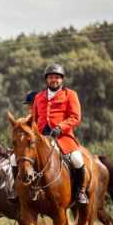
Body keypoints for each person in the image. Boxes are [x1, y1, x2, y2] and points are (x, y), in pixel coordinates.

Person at [31, 64, 88, 204]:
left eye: (57, 77)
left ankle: (80, 191)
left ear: (62, 80)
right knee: (18, 158)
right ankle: (18, 190)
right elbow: (34, 119)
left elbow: (75, 117)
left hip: (63, 137)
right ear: (46, 80)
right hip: (41, 137)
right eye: (51, 77)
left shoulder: (70, 94)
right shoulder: (39, 97)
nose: (54, 80)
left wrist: (60, 127)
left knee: (77, 159)